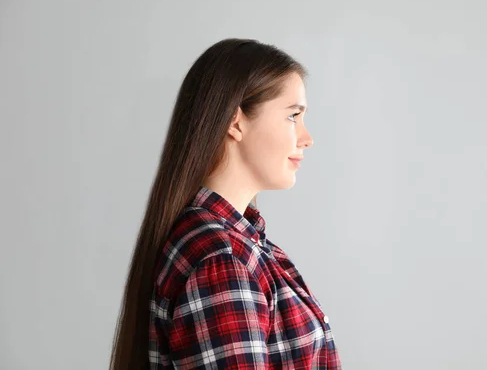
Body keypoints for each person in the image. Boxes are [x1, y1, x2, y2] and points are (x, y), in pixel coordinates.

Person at [110, 38, 342, 369]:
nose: (307, 137)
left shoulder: (244, 248)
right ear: (236, 123)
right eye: (293, 115)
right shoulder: (221, 262)